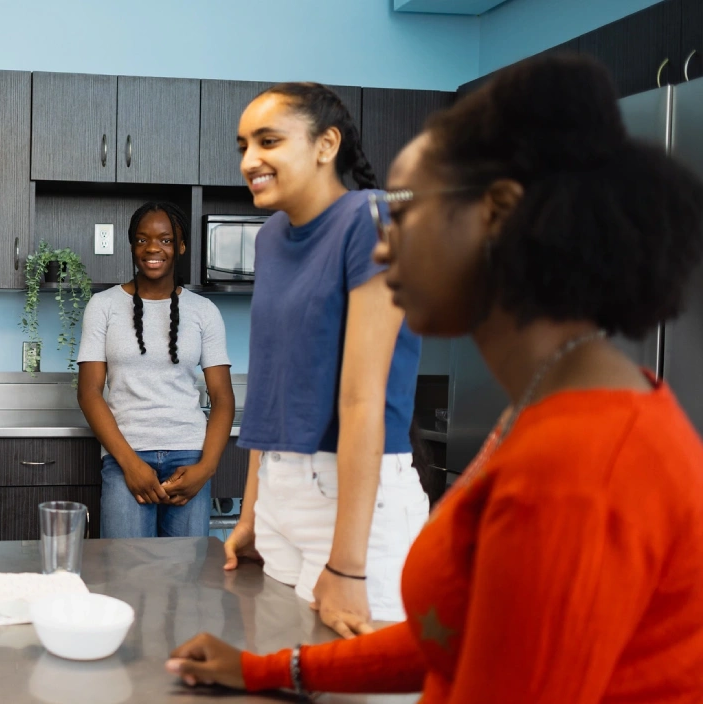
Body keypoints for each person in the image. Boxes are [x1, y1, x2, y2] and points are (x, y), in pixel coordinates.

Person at [168, 54, 703, 702]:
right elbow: (455, 638)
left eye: (406, 207)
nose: (384, 242)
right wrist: (265, 671)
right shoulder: (547, 405)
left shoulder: (581, 469)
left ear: (495, 214)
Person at [223, 82, 427, 636]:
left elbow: (364, 399)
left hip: (355, 502)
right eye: (243, 145)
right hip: (280, 500)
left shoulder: (374, 218)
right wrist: (250, 513)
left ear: (325, 144)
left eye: (268, 141)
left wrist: (349, 565)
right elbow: (272, 388)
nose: (250, 160)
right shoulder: (269, 239)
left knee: (361, 688)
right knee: (284, 671)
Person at [77, 202, 235, 538]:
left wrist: (205, 468)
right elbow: (89, 393)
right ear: (132, 245)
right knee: (125, 573)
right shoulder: (103, 306)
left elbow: (223, 398)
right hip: (125, 458)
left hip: (189, 460)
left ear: (180, 246)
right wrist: (130, 465)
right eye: (142, 239)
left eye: (165, 240)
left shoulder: (204, 311)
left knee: (185, 577)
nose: (152, 248)